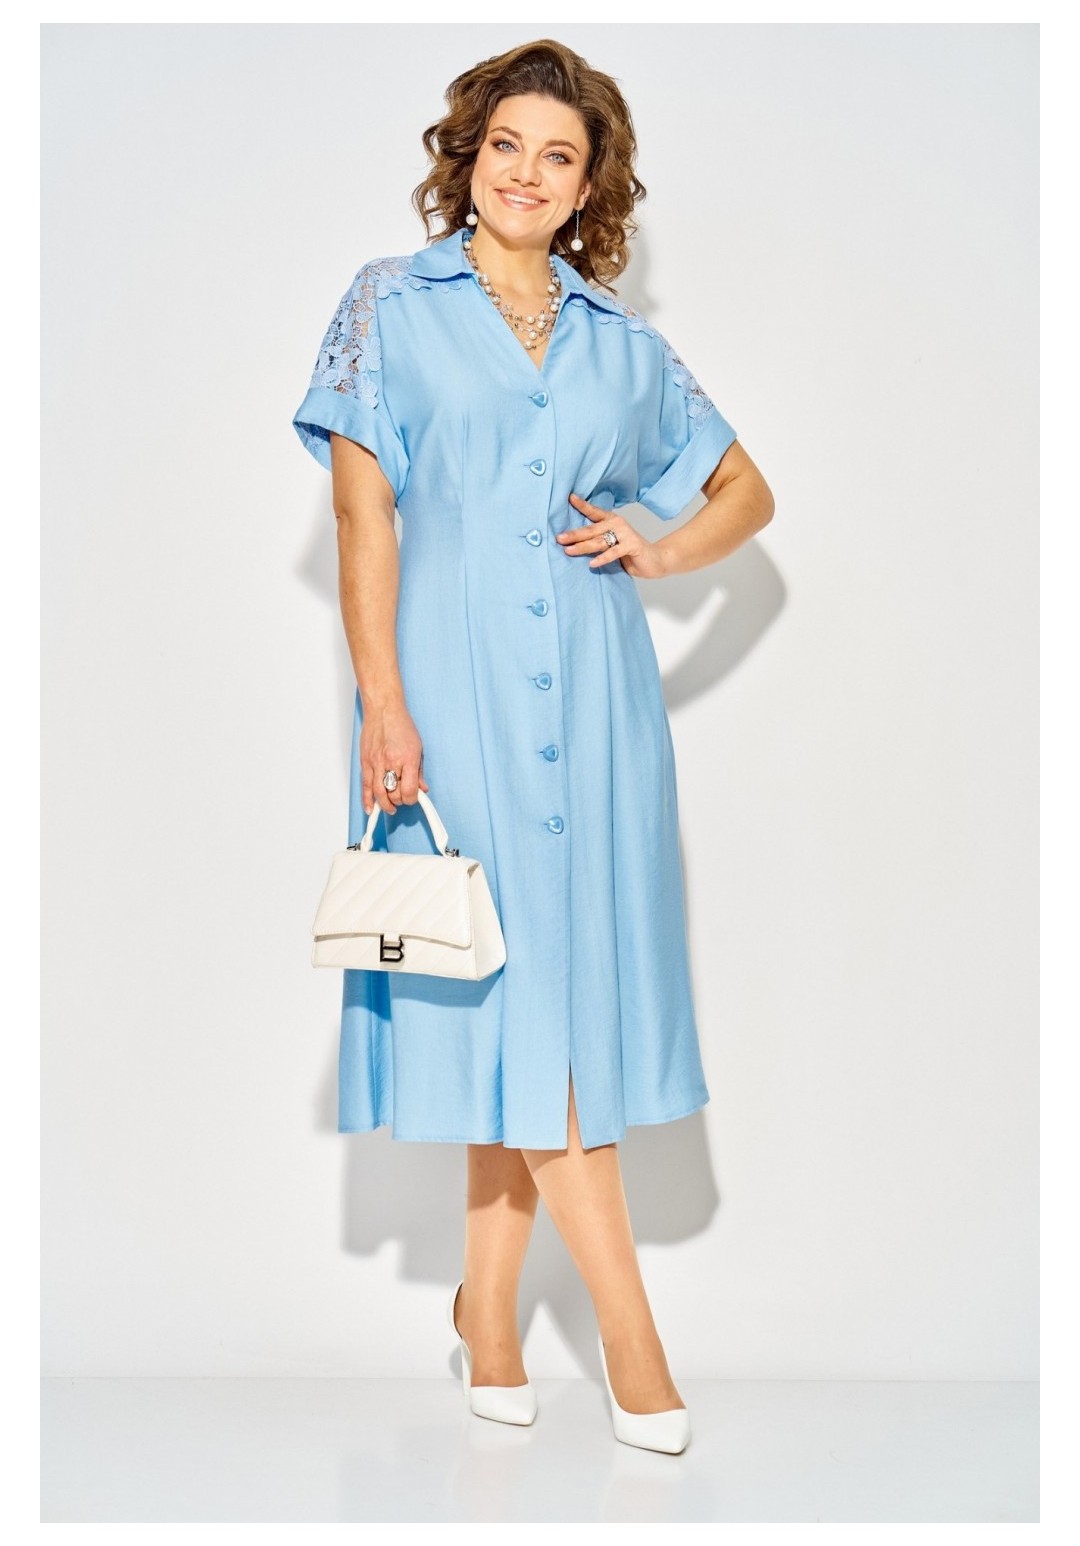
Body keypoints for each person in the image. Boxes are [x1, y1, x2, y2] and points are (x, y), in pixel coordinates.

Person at [292, 37, 774, 1455]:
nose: (526, 172)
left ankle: (488, 1316)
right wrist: (383, 698)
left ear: (587, 186)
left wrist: (662, 545)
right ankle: (633, 1336)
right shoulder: (390, 303)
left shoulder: (621, 341)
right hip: (451, 689)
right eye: (506, 143)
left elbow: (747, 489)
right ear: (469, 155)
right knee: (511, 989)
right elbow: (364, 512)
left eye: (558, 155)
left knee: (548, 998)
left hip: (599, 699)